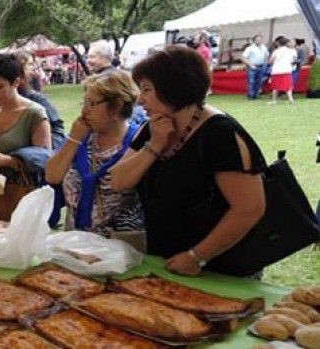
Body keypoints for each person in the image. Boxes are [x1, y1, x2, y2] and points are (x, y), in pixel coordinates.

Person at [111, 45, 266, 276]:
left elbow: (249, 209)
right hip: (166, 260)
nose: (140, 100)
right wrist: (153, 146)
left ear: (173, 88)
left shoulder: (220, 134)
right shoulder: (151, 128)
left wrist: (197, 256)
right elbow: (117, 181)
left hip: (220, 266)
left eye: (147, 90)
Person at [45, 71, 144, 234]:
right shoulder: (80, 139)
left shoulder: (136, 142)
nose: (85, 111)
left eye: (92, 103)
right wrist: (74, 139)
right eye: (84, 103)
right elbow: (52, 176)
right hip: (74, 242)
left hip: (120, 246)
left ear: (117, 106)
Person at [0, 53, 52, 220]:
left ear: (16, 82)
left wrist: (8, 160)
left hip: (21, 195)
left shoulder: (34, 113)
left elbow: (45, 157)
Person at [267, 37, 297, 105]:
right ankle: (291, 100)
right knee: (288, 86)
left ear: (278, 44)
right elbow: (293, 60)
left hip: (277, 70)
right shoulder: (291, 51)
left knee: (275, 86)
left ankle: (274, 100)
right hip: (287, 70)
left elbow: (270, 61)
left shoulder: (276, 51)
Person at [243, 34, 270, 100]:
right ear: (254, 40)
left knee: (259, 81)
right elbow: (244, 58)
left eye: (260, 39)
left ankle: (255, 94)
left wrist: (265, 64)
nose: (259, 41)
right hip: (252, 66)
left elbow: (267, 55)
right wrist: (250, 65)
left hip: (261, 66)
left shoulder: (264, 47)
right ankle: (250, 95)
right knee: (251, 81)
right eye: (257, 39)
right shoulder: (250, 48)